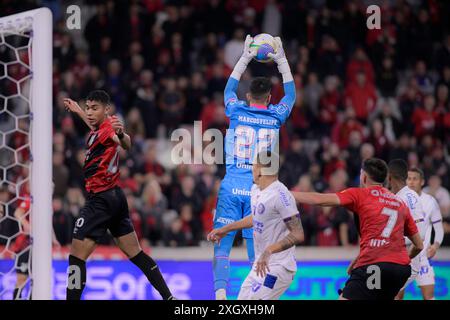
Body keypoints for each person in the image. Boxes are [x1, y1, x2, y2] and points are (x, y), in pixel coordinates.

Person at [63, 90, 174, 300]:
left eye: (94, 108)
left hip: (101, 199)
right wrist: (78, 111)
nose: (89, 112)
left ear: (107, 110)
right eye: (87, 108)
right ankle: (169, 297)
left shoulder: (110, 128)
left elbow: (124, 142)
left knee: (76, 254)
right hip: (116, 197)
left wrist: (122, 135)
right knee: (135, 252)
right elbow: (99, 131)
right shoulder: (99, 130)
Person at [212, 35, 296, 300]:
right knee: (256, 249)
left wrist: (246, 56)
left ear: (248, 96)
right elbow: (292, 94)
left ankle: (220, 295)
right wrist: (281, 58)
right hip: (258, 190)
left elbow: (228, 90)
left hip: (231, 184)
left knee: (222, 244)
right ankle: (255, 297)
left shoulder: (235, 110)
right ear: (270, 98)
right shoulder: (276, 116)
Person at [291, 158, 424, 300]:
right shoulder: (399, 202)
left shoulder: (360, 194)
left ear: (364, 177)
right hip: (400, 270)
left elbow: (321, 199)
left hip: (374, 267)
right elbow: (419, 245)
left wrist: (288, 194)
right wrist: (395, 260)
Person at [208, 151, 303, 299]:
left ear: (260, 170)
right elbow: (256, 217)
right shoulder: (255, 190)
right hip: (261, 266)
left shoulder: (282, 195)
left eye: (253, 166)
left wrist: (269, 250)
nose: (251, 169)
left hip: (279, 267)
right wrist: (224, 229)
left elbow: (298, 233)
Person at [386, 159, 427, 300]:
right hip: (396, 256)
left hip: (406, 258)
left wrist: (405, 259)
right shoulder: (397, 197)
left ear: (389, 176)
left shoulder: (408, 198)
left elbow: (419, 236)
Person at [405, 167, 444, 300]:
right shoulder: (400, 199)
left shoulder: (430, 202)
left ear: (422, 182)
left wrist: (435, 245)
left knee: (429, 297)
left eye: (414, 179)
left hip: (422, 258)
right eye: (408, 178)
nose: (411, 182)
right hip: (402, 258)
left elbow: (438, 228)